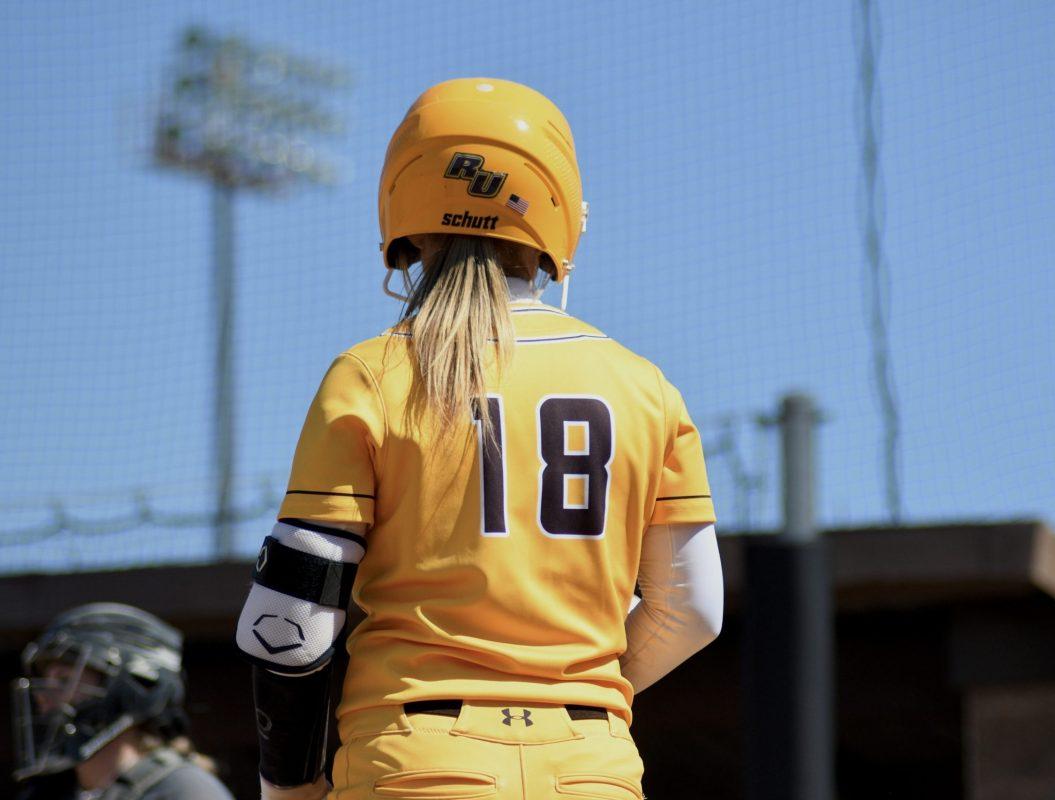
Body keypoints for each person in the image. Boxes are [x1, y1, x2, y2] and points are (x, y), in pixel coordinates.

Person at [236, 77, 724, 800]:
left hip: (413, 761)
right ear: (560, 212)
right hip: (593, 770)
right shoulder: (646, 386)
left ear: (402, 205)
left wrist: (290, 788)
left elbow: (291, 621)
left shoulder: (370, 374)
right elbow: (694, 612)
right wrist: (571, 701)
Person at [11, 602, 235, 800]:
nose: (42, 695)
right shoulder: (47, 793)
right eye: (45, 679)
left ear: (133, 688)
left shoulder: (183, 791)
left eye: (64, 679)